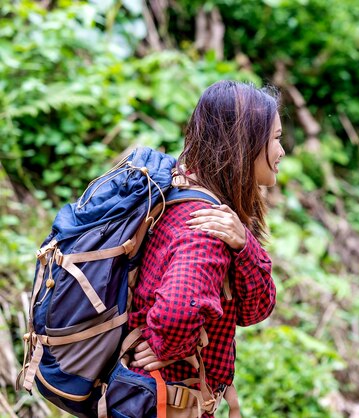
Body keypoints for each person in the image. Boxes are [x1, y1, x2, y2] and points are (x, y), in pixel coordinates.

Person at [126, 80, 284, 417]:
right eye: (275, 139)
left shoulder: (178, 190)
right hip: (165, 401)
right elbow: (176, 315)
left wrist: (244, 245)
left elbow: (254, 308)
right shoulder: (206, 228)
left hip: (142, 395)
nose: (280, 152)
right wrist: (165, 345)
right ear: (246, 144)